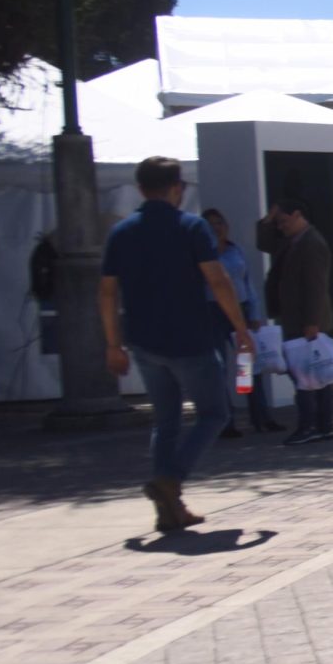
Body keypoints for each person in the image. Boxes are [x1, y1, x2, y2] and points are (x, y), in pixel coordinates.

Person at [99, 156, 253, 533]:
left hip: (143, 341)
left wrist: (113, 344)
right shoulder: (191, 227)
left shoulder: (122, 232)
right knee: (213, 414)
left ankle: (169, 508)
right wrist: (241, 328)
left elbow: (106, 291)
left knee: (165, 420)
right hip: (191, 338)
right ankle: (171, 480)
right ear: (177, 188)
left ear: (140, 189)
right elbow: (217, 281)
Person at [259, 196, 333, 445]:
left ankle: (310, 426)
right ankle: (324, 425)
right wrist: (268, 220)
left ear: (297, 215)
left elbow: (316, 286)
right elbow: (264, 241)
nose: (280, 226)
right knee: (316, 377)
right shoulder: (293, 241)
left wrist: (311, 322)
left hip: (306, 322)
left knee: (305, 378)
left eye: (283, 220)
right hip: (297, 319)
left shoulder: (311, 243)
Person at [201, 208, 278, 435]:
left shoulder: (236, 250)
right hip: (213, 311)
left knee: (248, 366)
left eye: (219, 223)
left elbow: (248, 283)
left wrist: (254, 313)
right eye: (210, 224)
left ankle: (260, 416)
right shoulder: (203, 254)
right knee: (219, 367)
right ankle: (226, 421)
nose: (216, 228)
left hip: (241, 309)